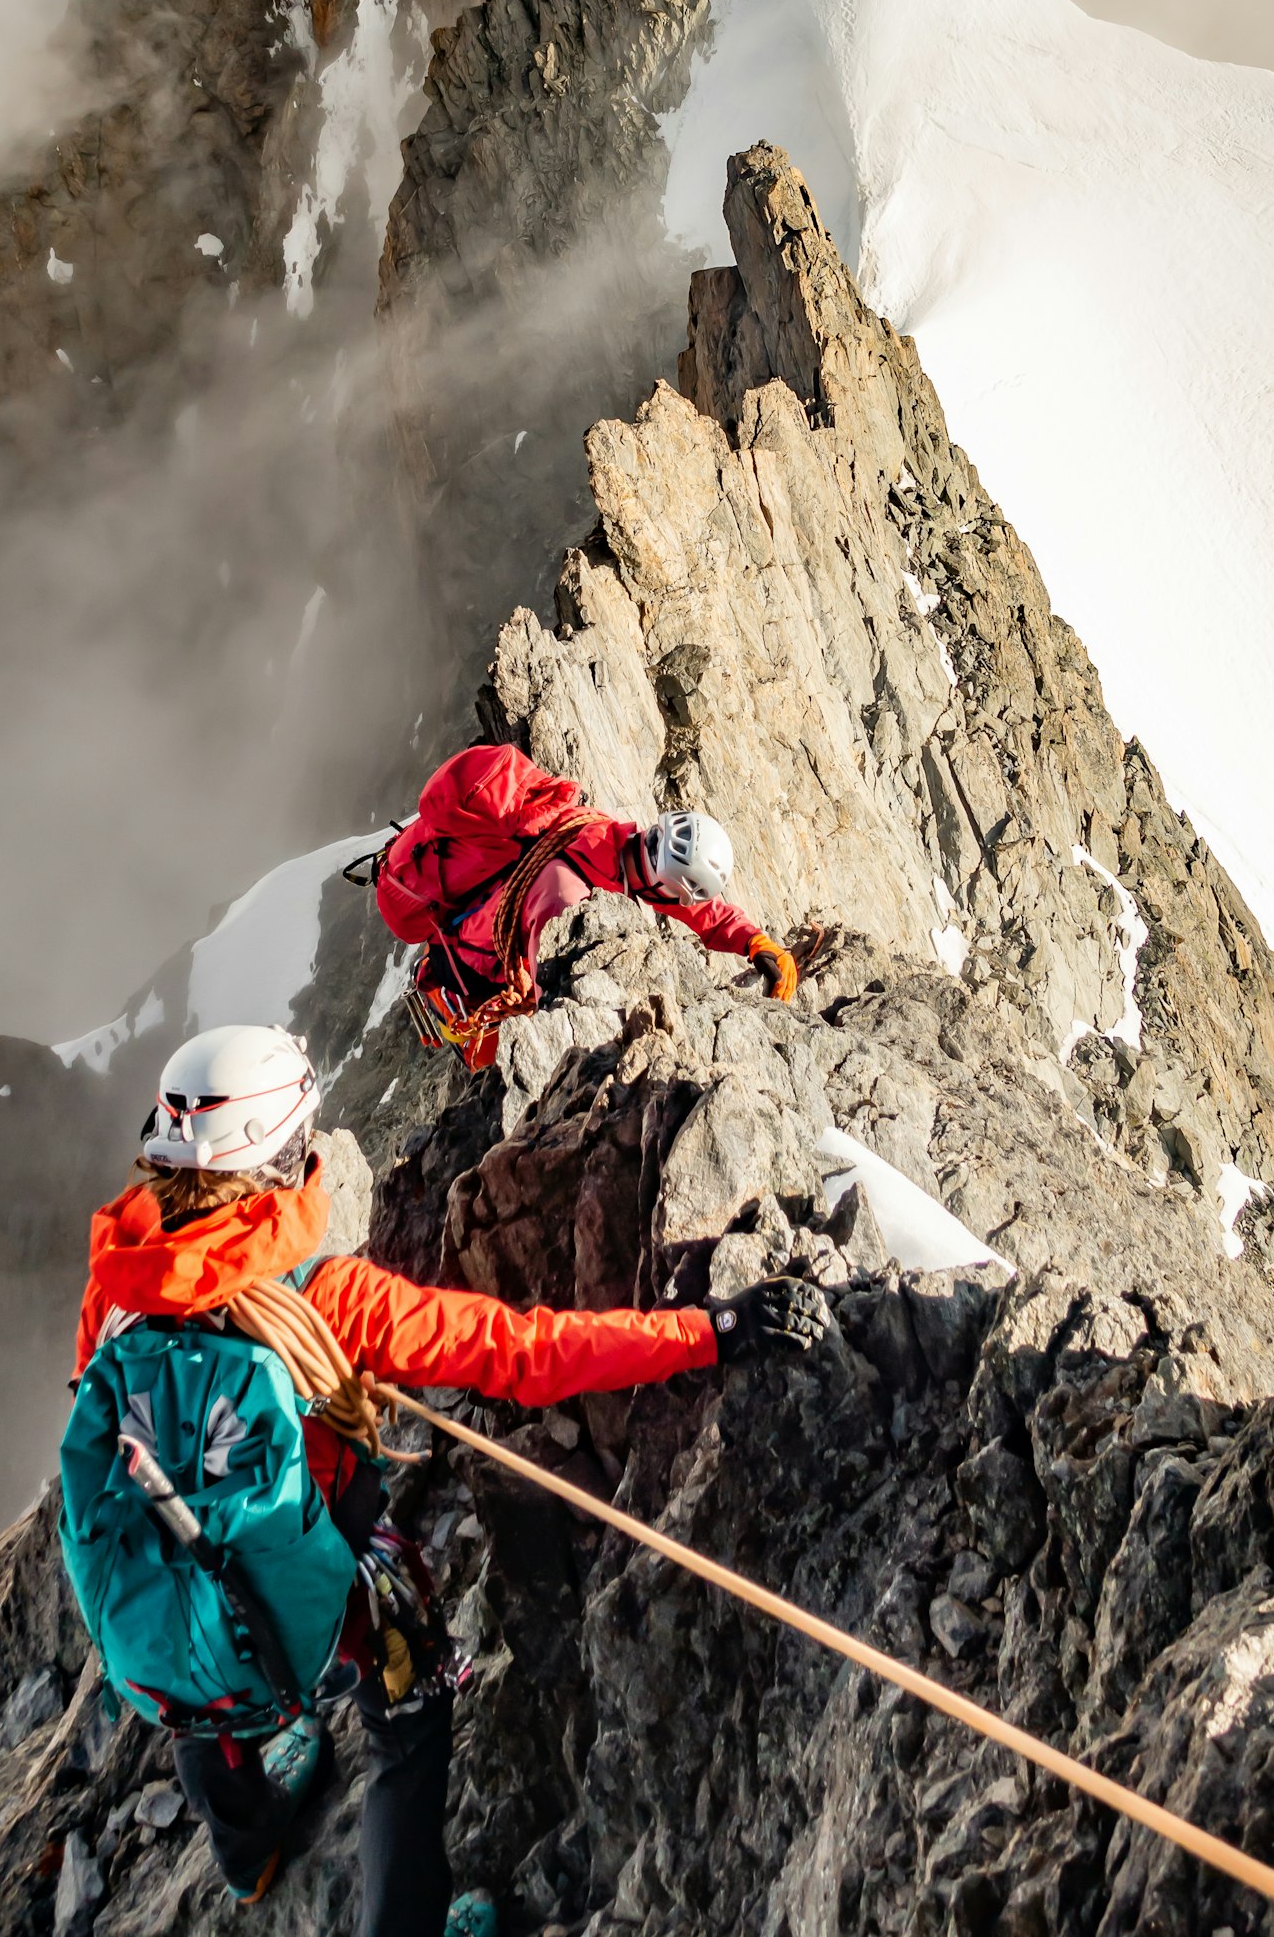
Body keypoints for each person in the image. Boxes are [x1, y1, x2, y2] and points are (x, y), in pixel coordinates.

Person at [60, 1023, 829, 1937]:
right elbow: (522, 1353)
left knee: (206, 1694)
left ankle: (249, 1850)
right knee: (409, 1716)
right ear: (282, 1157)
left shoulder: (121, 1283)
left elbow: (106, 1417)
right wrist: (707, 1332)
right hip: (327, 1572)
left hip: (165, 1584)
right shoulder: (328, 1299)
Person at [360, 742, 799, 1068]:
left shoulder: (610, 837)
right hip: (469, 979)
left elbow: (694, 906)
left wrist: (753, 939)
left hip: (480, 940)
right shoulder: (567, 896)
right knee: (494, 1091)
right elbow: (540, 992)